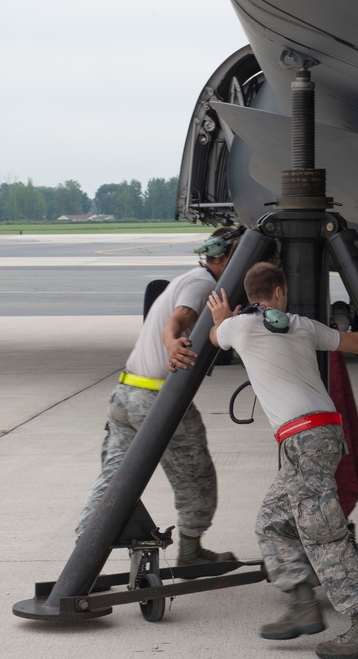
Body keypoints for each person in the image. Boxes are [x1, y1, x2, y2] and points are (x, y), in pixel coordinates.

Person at [207, 261, 358, 659]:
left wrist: (219, 318)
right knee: (271, 522)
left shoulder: (240, 327)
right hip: (319, 436)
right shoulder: (301, 325)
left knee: (323, 535)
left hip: (303, 440)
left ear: (251, 296)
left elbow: (216, 336)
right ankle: (303, 604)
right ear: (281, 292)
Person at [74, 228, 239, 566]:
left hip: (126, 394)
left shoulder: (188, 277)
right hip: (156, 400)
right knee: (196, 477)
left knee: (114, 478)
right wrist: (173, 343)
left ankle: (83, 555)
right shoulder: (203, 284)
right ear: (221, 258)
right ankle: (191, 552)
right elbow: (177, 320)